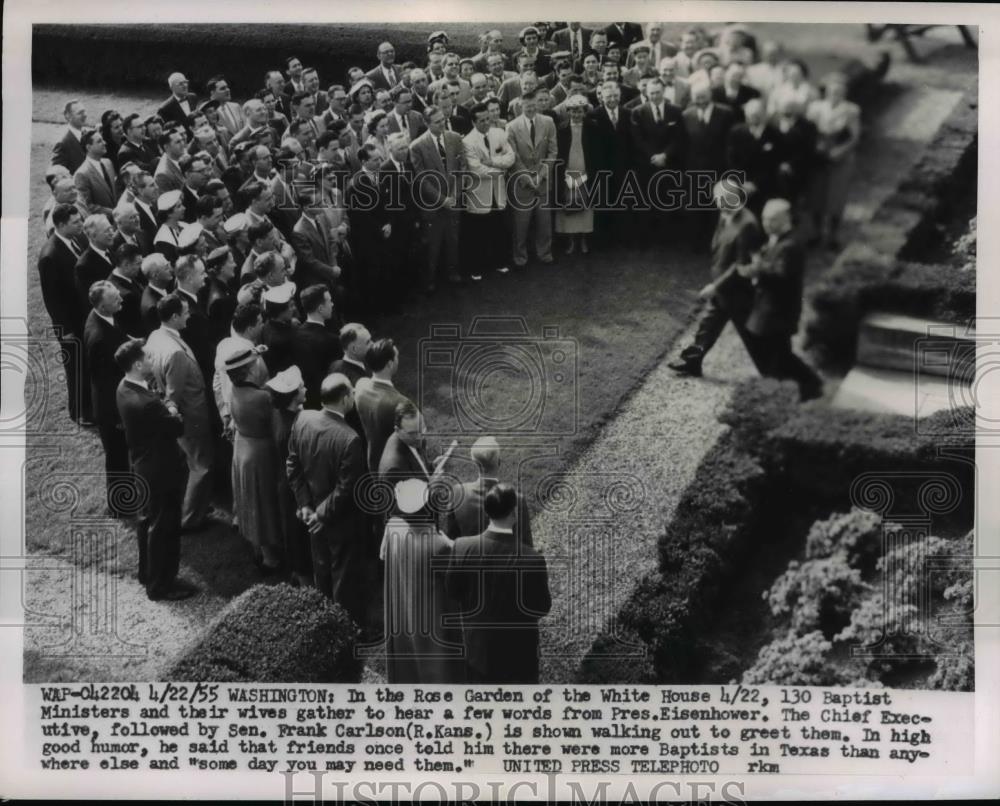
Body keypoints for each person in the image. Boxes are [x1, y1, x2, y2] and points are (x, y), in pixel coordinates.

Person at [445, 483, 551, 683]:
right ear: (514, 514)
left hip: (478, 654)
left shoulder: (461, 547)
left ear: (487, 512)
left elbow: (454, 592)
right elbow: (541, 608)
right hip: (519, 658)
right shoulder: (532, 559)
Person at [114, 338, 195, 600]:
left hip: (144, 465)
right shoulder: (147, 403)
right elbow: (177, 426)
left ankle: (147, 572)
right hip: (161, 470)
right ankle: (161, 585)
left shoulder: (124, 387)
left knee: (148, 522)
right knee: (165, 527)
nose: (151, 361)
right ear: (138, 364)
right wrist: (171, 408)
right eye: (148, 358)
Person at [285, 372, 365, 617]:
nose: (353, 395)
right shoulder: (350, 439)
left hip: (313, 515)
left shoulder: (302, 419)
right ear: (343, 399)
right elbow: (346, 488)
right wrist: (320, 515)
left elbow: (292, 464)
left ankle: (324, 618)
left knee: (321, 568)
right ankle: (348, 625)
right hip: (339, 519)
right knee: (343, 573)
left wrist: (306, 505)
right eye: (351, 391)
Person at [668, 179, 766, 378]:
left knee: (752, 336)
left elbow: (740, 265)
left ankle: (774, 372)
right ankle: (692, 362)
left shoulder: (748, 224)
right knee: (708, 325)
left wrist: (716, 285)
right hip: (725, 289)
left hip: (738, 291)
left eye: (718, 198)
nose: (715, 202)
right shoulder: (726, 214)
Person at [144, 294, 221, 531]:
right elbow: (174, 392)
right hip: (192, 413)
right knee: (202, 464)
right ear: (175, 316)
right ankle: (190, 519)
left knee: (191, 461)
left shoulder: (156, 336)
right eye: (185, 313)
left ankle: (194, 506)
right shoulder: (175, 352)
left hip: (185, 411)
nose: (189, 316)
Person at [739, 198, 823, 401]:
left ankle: (802, 388)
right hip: (768, 308)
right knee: (778, 355)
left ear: (786, 219)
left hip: (779, 312)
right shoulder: (775, 239)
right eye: (765, 219)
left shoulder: (791, 245)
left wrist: (756, 269)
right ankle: (810, 386)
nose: (767, 224)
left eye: (773, 220)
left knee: (778, 357)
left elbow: (781, 274)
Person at [381, 478, 464, 683]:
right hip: (431, 615)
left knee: (408, 658)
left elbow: (383, 555)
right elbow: (460, 577)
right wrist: (453, 545)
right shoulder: (438, 545)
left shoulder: (393, 529)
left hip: (404, 608)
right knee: (436, 664)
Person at [224, 344, 283, 571]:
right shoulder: (262, 397)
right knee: (264, 503)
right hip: (260, 453)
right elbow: (275, 427)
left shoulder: (235, 389)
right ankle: (271, 558)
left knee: (250, 500)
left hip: (242, 449)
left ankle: (258, 547)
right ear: (249, 369)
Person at [83, 281, 131, 519]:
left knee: (120, 455)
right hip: (110, 407)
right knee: (117, 456)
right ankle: (121, 506)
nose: (121, 299)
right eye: (115, 299)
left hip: (111, 400)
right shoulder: (100, 338)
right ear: (102, 306)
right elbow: (105, 383)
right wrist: (117, 416)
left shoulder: (102, 318)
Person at [409, 105, 465, 290]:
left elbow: (461, 169)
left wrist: (455, 195)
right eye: (437, 121)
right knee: (433, 245)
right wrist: (443, 200)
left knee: (453, 240)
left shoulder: (455, 138)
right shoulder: (417, 146)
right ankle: (430, 280)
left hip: (453, 200)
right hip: (433, 205)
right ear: (426, 123)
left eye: (443, 119)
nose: (443, 124)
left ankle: (453, 273)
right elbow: (422, 179)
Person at [266, 366, 312, 587]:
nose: (306, 388)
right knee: (299, 534)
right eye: (302, 387)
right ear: (293, 397)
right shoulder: (295, 426)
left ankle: (299, 572)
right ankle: (305, 580)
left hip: (284, 482)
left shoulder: (278, 414)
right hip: (296, 488)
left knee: (294, 531)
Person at [806, 72, 861, 250]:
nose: (835, 94)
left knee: (837, 196)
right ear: (826, 91)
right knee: (817, 194)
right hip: (819, 156)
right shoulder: (815, 107)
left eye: (839, 91)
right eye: (832, 91)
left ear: (844, 92)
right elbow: (809, 131)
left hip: (840, 157)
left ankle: (833, 235)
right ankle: (816, 232)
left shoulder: (851, 110)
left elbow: (854, 136)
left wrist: (839, 151)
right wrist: (816, 148)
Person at [444, 437, 533, 545]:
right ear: (499, 462)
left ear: (475, 463)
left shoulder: (457, 493)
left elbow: (452, 539)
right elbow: (526, 545)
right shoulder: (517, 499)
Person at [462, 103, 514, 280]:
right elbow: (476, 169)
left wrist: (493, 162)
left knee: (499, 227)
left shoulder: (499, 133)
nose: (486, 123)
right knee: (479, 233)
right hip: (479, 193)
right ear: (473, 122)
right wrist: (500, 170)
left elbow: (510, 157)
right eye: (481, 120)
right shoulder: (467, 141)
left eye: (487, 119)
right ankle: (477, 268)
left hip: (497, 191)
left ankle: (500, 262)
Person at [506, 89, 557, 269]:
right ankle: (520, 257)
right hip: (522, 183)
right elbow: (514, 157)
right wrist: (527, 178)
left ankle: (545, 253)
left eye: (534, 106)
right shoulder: (511, 126)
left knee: (544, 222)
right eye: (527, 107)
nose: (531, 110)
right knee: (521, 224)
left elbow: (553, 152)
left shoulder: (548, 122)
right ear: (521, 106)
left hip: (542, 181)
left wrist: (541, 175)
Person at [354, 338, 410, 472]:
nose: (398, 360)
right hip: (397, 467)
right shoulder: (400, 403)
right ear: (390, 364)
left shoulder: (361, 386)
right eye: (396, 357)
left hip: (373, 460)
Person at [554, 95, 597, 254]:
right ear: (568, 112)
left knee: (586, 208)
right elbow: (558, 154)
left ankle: (584, 240)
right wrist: (564, 175)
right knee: (569, 206)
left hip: (586, 173)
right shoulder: (562, 128)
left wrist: (587, 174)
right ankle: (571, 241)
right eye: (573, 111)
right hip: (568, 174)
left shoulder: (592, 127)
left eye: (579, 111)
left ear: (584, 111)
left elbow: (595, 153)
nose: (576, 115)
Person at [292, 284, 343, 409]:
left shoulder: (295, 335)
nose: (332, 305)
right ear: (320, 308)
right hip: (329, 400)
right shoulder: (331, 341)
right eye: (330, 301)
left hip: (305, 399)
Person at [74, 213, 116, 312]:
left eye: (111, 228)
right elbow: (93, 302)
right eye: (107, 231)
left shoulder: (111, 248)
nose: (112, 233)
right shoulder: (84, 267)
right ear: (93, 236)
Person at [73, 130, 118, 216]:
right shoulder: (82, 174)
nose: (104, 143)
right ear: (89, 147)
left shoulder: (108, 163)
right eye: (99, 141)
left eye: (103, 140)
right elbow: (87, 205)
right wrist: (113, 212)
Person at [108, 242, 145, 337]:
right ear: (126, 265)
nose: (141, 267)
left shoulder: (126, 276)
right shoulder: (125, 295)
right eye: (138, 264)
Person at [139, 252, 174, 334]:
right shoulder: (152, 307)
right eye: (166, 268)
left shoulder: (165, 284)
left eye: (169, 265)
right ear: (155, 276)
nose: (171, 269)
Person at [52, 100, 88, 174]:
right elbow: (56, 173)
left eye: (84, 111)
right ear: (68, 116)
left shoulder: (87, 134)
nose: (85, 115)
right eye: (80, 113)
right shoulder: (62, 143)